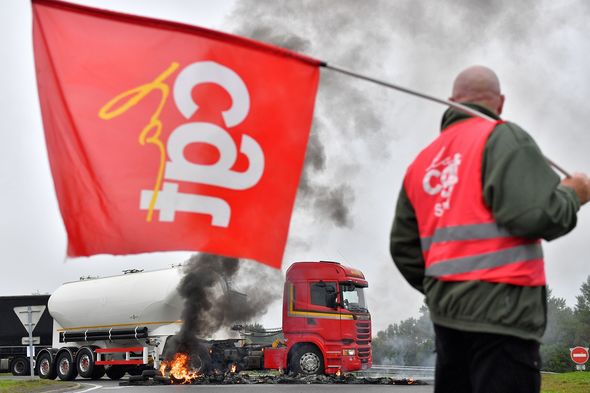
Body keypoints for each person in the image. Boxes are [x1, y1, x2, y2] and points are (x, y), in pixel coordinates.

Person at [390, 65, 590, 393]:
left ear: (452, 102)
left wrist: (443, 290)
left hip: (448, 323)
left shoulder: (423, 163)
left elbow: (403, 248)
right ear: (500, 103)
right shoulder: (503, 137)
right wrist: (573, 194)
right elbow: (535, 216)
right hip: (504, 319)